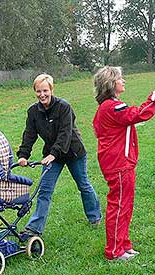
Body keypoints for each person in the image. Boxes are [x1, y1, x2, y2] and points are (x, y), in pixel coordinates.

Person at [92, 66, 155, 261]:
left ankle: (124, 245)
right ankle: (114, 251)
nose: (123, 81)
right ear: (110, 84)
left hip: (120, 163)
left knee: (125, 205)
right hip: (118, 164)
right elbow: (139, 114)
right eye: (120, 79)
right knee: (119, 206)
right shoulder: (112, 107)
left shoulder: (108, 107)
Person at [17, 73, 102, 238]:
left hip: (73, 152)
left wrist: (53, 154)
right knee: (44, 191)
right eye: (38, 91)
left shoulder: (64, 107)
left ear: (51, 89)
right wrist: (23, 154)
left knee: (83, 185)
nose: (42, 95)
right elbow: (29, 134)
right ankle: (34, 229)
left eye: (45, 91)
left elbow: (65, 134)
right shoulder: (33, 111)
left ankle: (95, 217)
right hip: (52, 155)